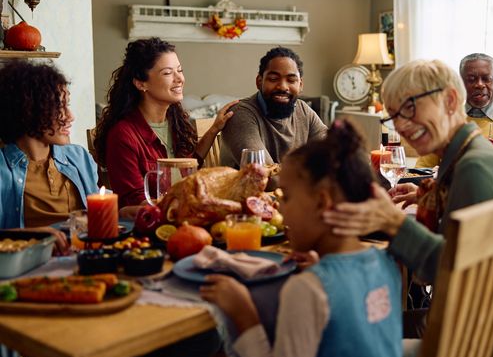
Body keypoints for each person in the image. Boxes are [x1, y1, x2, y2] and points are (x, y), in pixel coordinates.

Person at [323, 60, 493, 357]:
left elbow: (459, 276)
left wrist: (394, 222)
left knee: (340, 339)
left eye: (409, 108)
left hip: (487, 344)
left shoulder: (474, 168)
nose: (402, 125)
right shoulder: (470, 155)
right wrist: (432, 197)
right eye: (394, 116)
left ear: (451, 100)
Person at [201, 120, 404, 357]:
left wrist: (243, 312)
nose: (281, 211)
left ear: (321, 202)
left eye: (286, 197)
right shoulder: (388, 265)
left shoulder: (307, 290)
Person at [94, 37, 237, 208]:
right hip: (150, 226)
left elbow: (187, 168)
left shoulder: (175, 122)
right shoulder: (123, 134)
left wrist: (214, 129)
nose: (179, 79)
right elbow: (135, 202)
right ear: (141, 83)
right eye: (168, 73)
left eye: (180, 70)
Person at [0, 61, 99, 254]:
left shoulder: (79, 157)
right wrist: (34, 237)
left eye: (66, 105)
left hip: (86, 258)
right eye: (57, 107)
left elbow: (98, 211)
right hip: (28, 270)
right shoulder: (2, 169)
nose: (70, 116)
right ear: (27, 110)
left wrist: (123, 213)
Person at [416, 53, 493, 169]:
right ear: (460, 83)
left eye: (487, 78)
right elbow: (422, 170)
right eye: (471, 79)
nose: (480, 85)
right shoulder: (443, 120)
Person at [219, 47, 327, 168]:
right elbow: (264, 174)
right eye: (273, 79)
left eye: (291, 80)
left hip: (294, 186)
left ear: (300, 85)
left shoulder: (303, 110)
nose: (282, 87)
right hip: (249, 187)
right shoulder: (240, 114)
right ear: (259, 81)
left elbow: (333, 153)